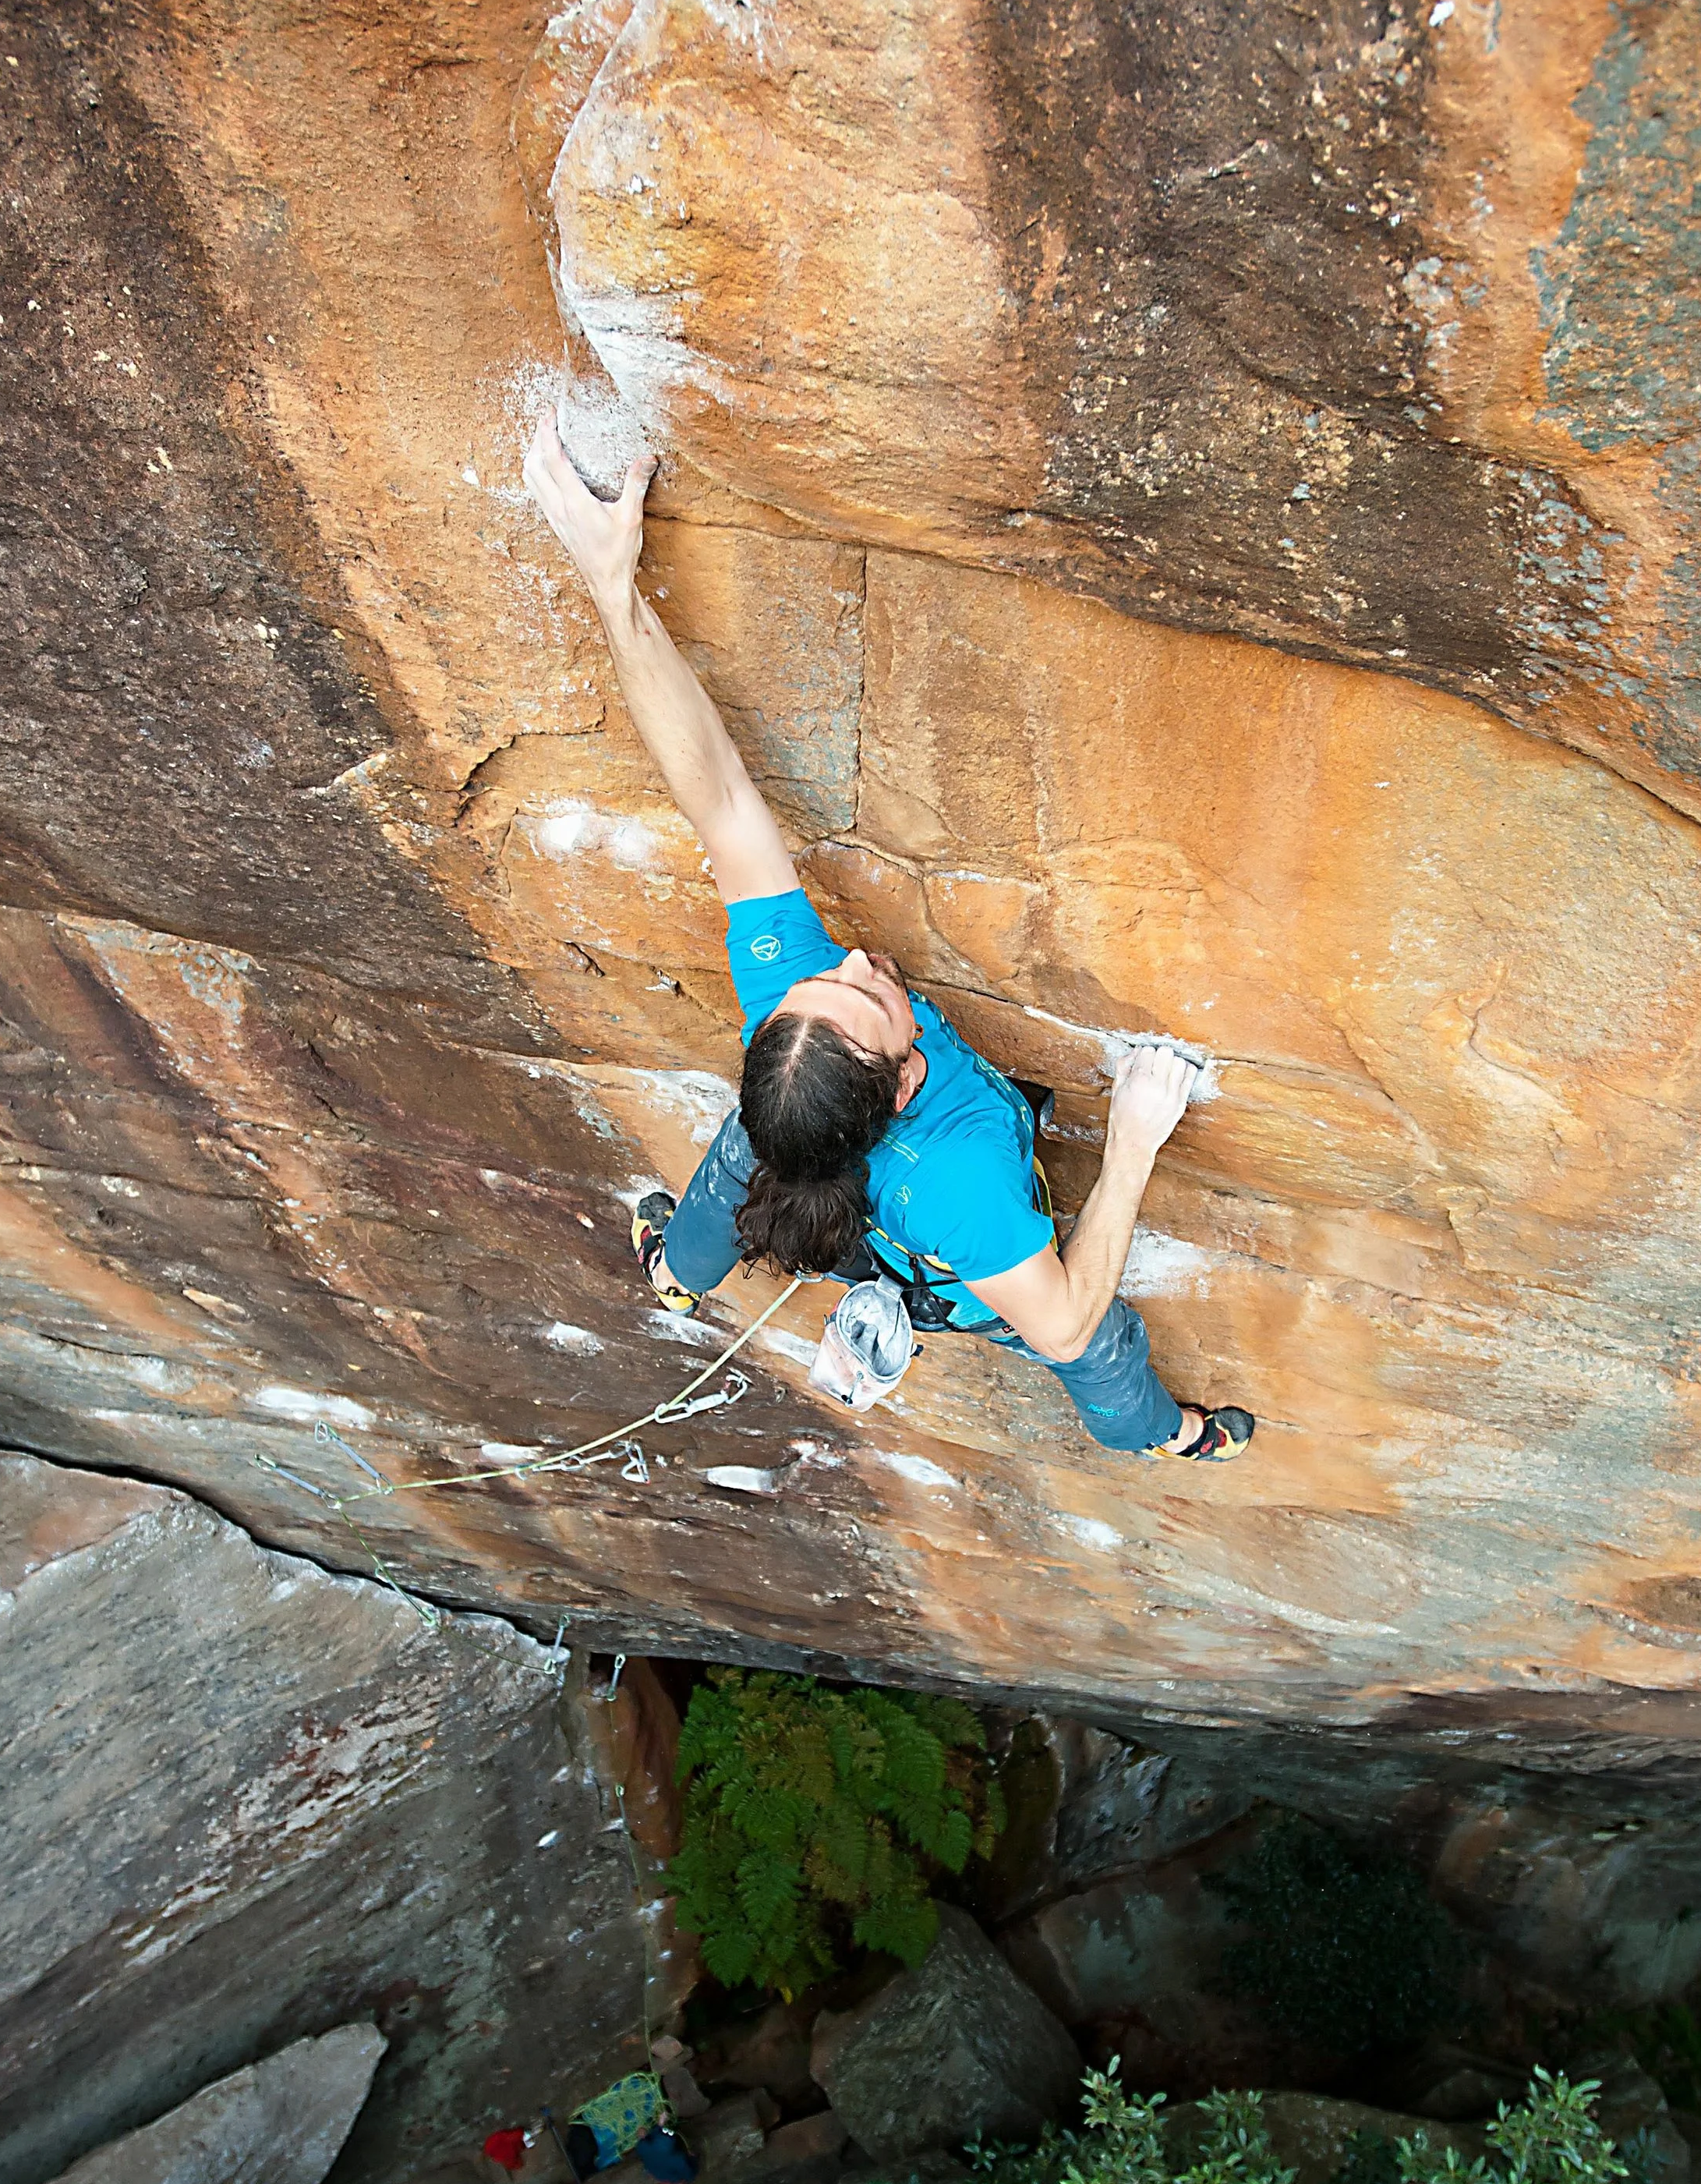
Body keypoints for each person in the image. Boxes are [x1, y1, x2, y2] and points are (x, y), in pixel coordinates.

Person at [523, 414, 1254, 1464]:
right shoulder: (957, 1183)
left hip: (808, 1161)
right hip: (944, 1249)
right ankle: (1174, 1439)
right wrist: (1134, 1138)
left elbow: (719, 798)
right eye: (869, 997)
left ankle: (679, 1273)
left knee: (738, 1162)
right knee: (1104, 1363)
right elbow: (1061, 1321)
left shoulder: (797, 1002)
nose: (858, 964)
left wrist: (614, 592)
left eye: (826, 986)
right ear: (905, 1080)